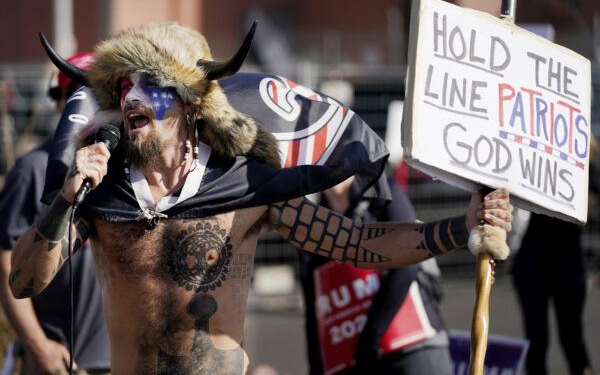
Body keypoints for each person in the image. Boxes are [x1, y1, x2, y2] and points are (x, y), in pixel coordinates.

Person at [9, 22, 513, 375]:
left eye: (152, 85)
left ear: (190, 104)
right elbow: (25, 280)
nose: (132, 98)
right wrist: (66, 199)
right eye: (122, 87)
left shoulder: (242, 185)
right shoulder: (104, 192)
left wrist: (462, 228)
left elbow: (358, 245)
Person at [0, 53, 111, 374]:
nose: (89, 102)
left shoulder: (124, 171)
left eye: (99, 92)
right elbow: (5, 262)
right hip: (60, 362)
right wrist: (38, 345)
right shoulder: (32, 170)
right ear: (60, 102)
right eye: (77, 92)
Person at [298, 176, 453, 375]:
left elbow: (408, 262)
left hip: (412, 345)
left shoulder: (385, 194)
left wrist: (372, 333)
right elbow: (314, 309)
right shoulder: (309, 223)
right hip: (356, 359)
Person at [511, 136, 598, 375]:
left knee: (572, 338)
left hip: (566, 262)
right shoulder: (538, 162)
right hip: (534, 260)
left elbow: (584, 210)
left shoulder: (586, 171)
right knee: (536, 339)